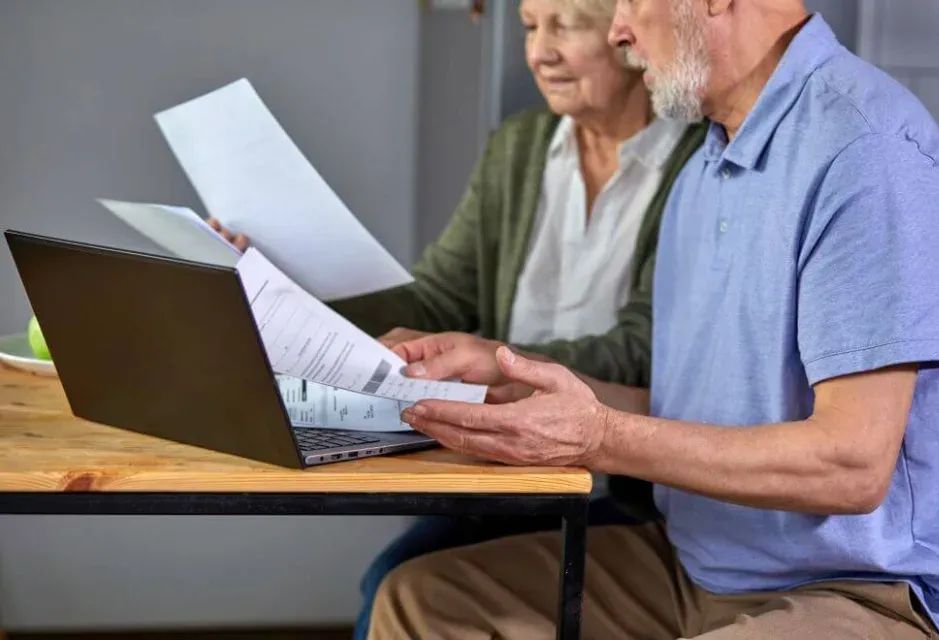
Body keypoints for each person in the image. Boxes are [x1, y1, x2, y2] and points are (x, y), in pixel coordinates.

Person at [368, 0, 939, 638]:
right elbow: (682, 410)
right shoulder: (704, 172)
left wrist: (599, 437)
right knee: (422, 600)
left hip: (855, 592)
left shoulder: (863, 148)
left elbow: (852, 465)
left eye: (630, 2)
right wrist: (522, 377)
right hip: (693, 567)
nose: (620, 30)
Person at [208, 0, 706, 635]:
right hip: (500, 467)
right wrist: (284, 285)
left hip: (621, 489)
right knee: (394, 576)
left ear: (626, 34)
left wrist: (498, 362)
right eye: (530, 27)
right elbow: (437, 304)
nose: (539, 51)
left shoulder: (696, 161)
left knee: (402, 578)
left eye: (566, 24)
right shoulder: (519, 148)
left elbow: (647, 349)